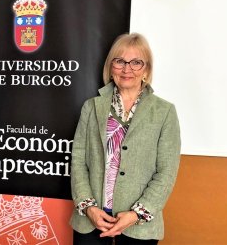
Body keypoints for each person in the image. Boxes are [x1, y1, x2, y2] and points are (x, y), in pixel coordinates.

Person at [70, 33, 181, 244]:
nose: (127, 69)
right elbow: (78, 160)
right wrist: (88, 207)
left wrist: (137, 214)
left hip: (139, 226)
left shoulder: (164, 111)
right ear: (111, 67)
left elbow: (166, 171)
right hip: (90, 220)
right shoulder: (91, 106)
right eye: (120, 61)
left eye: (136, 62)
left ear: (146, 69)